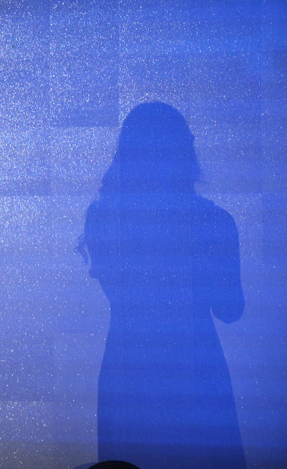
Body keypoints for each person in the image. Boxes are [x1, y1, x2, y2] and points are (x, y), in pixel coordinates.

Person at [79, 102, 245, 469]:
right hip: (196, 374)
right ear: (184, 150)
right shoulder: (214, 221)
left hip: (128, 376)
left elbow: (119, 294)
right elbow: (231, 310)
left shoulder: (104, 217)